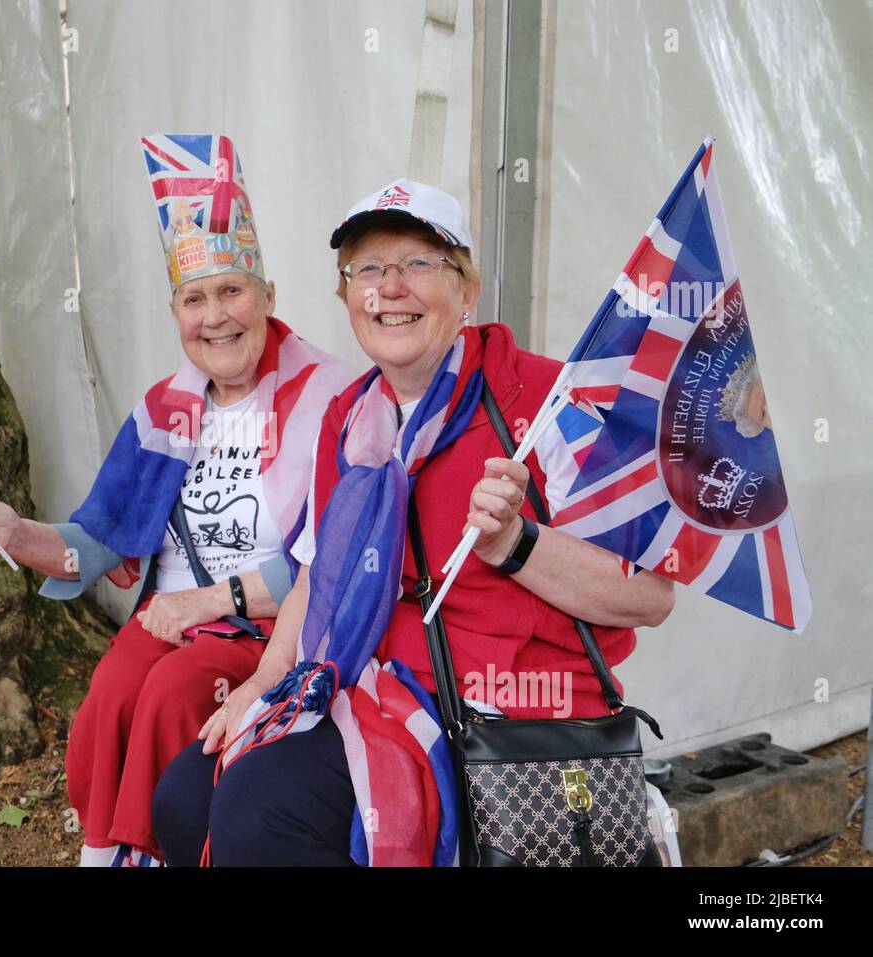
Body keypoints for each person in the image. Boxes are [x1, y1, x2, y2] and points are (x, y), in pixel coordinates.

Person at [152, 178, 679, 866]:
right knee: (185, 797)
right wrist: (264, 682)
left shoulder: (557, 405)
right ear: (347, 297)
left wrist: (518, 543)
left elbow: (651, 594)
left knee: (261, 812)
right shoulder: (348, 418)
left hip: (510, 728)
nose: (389, 287)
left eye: (418, 264)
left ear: (467, 290)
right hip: (376, 695)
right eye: (368, 269)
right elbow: (317, 573)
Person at [0, 133, 355, 866]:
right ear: (176, 312)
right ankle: (105, 853)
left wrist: (211, 601)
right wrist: (15, 528)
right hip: (168, 618)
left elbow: (337, 557)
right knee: (110, 693)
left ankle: (151, 854)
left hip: (267, 630)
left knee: (168, 695)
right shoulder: (164, 408)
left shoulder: (333, 398)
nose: (217, 316)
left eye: (233, 290)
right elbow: (99, 538)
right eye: (196, 299)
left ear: (269, 296)